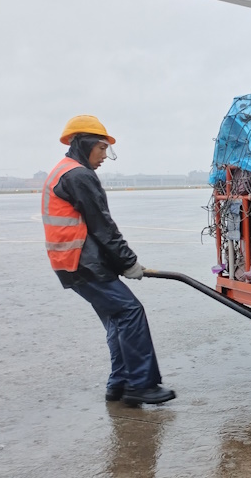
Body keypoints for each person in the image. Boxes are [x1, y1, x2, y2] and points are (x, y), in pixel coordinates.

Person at [42, 115, 176, 405]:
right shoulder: (78, 175)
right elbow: (102, 226)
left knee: (118, 318)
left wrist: (120, 263)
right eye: (102, 148)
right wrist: (128, 262)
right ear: (86, 143)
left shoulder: (63, 171)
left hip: (72, 261)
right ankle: (141, 385)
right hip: (83, 262)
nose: (105, 156)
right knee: (130, 312)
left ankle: (120, 383)